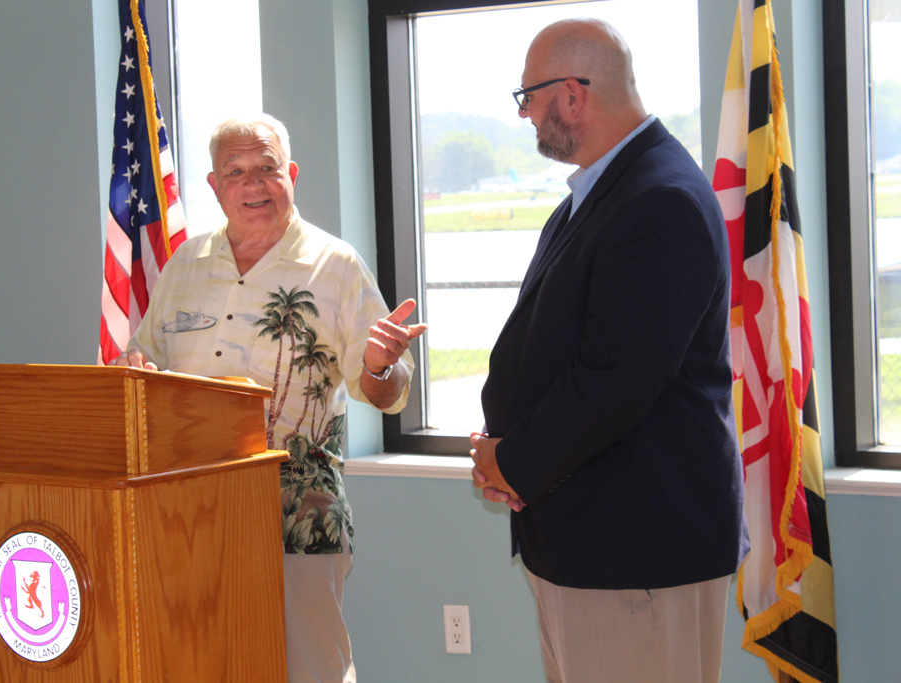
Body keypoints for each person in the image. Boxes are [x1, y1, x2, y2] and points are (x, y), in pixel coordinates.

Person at [470, 19, 748, 682]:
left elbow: (614, 382)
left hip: (636, 552)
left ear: (572, 95)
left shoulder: (660, 200)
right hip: (585, 541)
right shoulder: (600, 194)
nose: (525, 115)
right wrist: (506, 454)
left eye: (529, 97)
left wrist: (513, 461)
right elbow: (557, 354)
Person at [114, 113, 426, 682]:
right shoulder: (184, 265)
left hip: (299, 513)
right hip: (186, 514)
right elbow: (143, 364)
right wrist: (132, 370)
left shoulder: (335, 266)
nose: (253, 184)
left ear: (292, 175)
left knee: (310, 669)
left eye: (267, 168)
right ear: (214, 186)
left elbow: (387, 393)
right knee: (203, 663)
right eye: (236, 171)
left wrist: (380, 365)